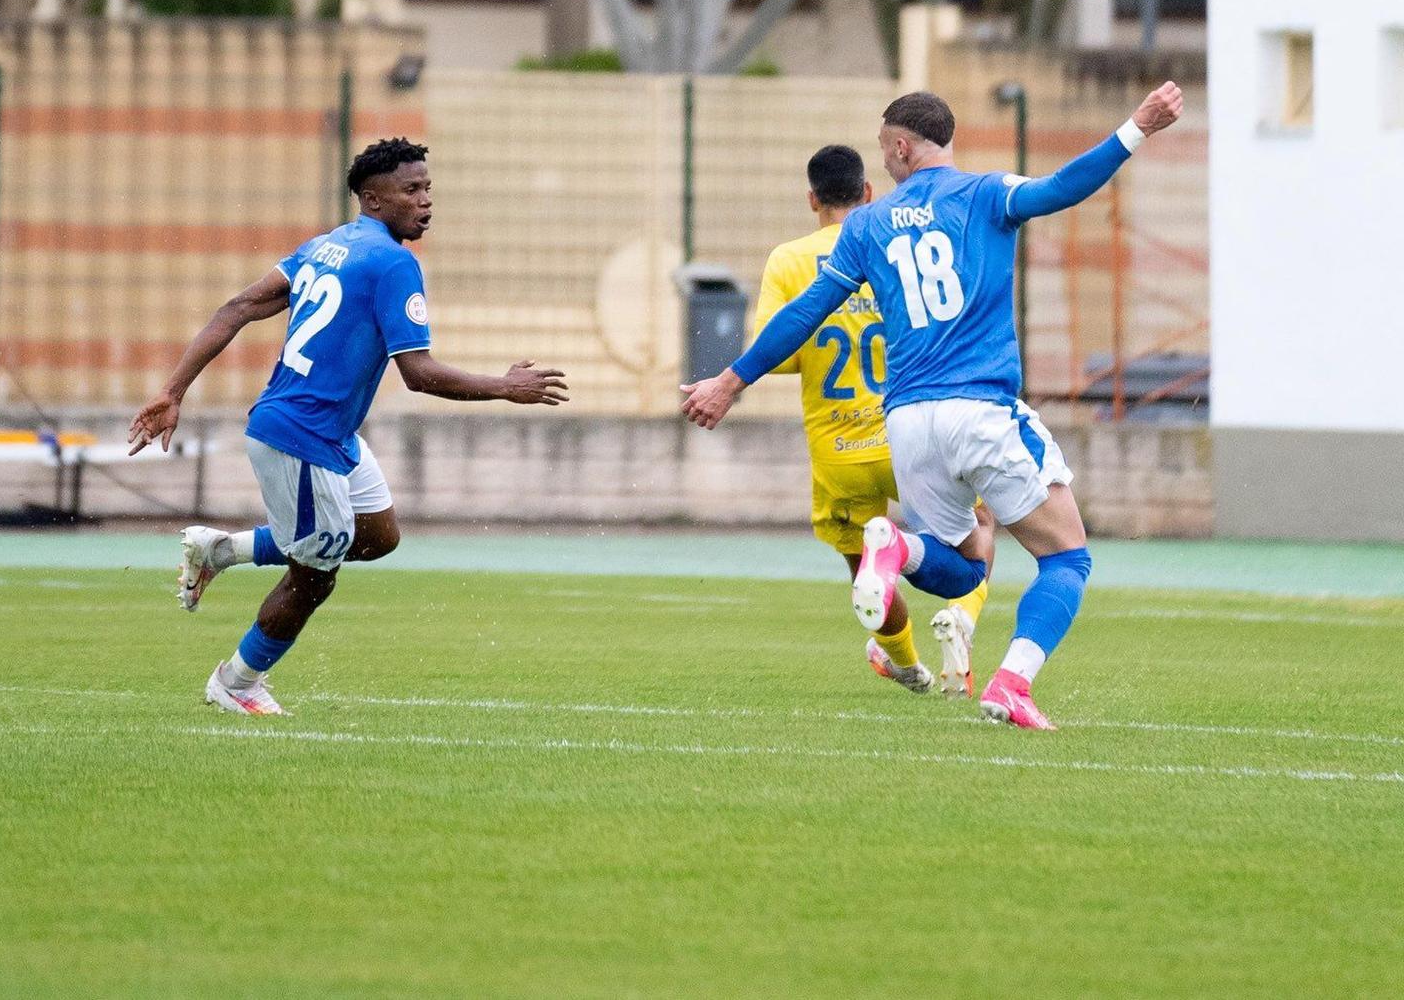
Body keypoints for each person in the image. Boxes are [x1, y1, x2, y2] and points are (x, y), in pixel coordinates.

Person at [683, 83, 1184, 729]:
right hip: (979, 409)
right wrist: (1136, 127)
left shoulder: (866, 224)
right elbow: (1063, 187)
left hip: (909, 423)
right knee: (1067, 557)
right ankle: (1011, 684)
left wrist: (731, 379)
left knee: (959, 569)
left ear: (899, 147)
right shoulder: (985, 194)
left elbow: (806, 310)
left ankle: (893, 545)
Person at [126, 138, 568, 715]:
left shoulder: (326, 245)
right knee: (314, 576)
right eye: (413, 190)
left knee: (378, 536)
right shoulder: (393, 263)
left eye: (428, 188)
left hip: (327, 434)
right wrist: (505, 387)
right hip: (300, 437)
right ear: (374, 199)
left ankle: (221, 550)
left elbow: (236, 307)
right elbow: (419, 373)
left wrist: (172, 389)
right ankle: (235, 683)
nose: (426, 201)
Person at [750, 145, 992, 698]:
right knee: (980, 526)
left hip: (838, 448)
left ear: (811, 199)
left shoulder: (787, 261)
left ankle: (906, 665)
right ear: (867, 194)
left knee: (867, 566)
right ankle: (963, 615)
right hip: (912, 431)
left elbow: (777, 354)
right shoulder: (893, 242)